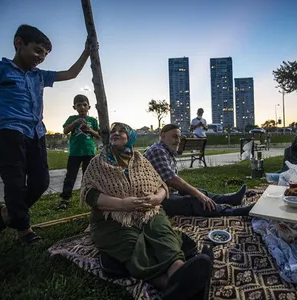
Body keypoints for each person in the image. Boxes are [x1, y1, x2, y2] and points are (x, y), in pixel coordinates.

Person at [80, 122, 213, 299]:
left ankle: (178, 270)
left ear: (130, 137)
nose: (116, 133)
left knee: (163, 234)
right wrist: (123, 205)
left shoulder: (140, 160)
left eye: (122, 131)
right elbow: (89, 194)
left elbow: (162, 185)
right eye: (113, 131)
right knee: (133, 245)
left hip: (149, 211)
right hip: (111, 218)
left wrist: (157, 198)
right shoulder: (98, 162)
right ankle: (172, 285)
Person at [0, 24, 91, 244]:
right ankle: (24, 231)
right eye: (37, 51)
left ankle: (6, 214)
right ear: (19, 44)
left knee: (41, 182)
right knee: (15, 184)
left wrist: (87, 52)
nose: (41, 57)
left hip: (36, 134)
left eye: (45, 54)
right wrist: (3, 106)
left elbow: (71, 73)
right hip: (9, 133)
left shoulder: (40, 76)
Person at [144, 124, 253, 217]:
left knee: (199, 192)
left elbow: (173, 181)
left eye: (179, 137)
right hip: (157, 199)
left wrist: (198, 193)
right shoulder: (157, 151)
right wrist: (198, 195)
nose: (178, 141)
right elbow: (172, 180)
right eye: (174, 137)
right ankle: (232, 212)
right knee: (196, 201)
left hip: (168, 192)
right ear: (162, 136)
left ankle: (230, 199)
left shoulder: (165, 150)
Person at [56, 94, 100, 210]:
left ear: (89, 107)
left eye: (85, 105)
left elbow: (98, 135)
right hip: (75, 152)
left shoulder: (92, 120)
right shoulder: (72, 118)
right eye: (79, 105)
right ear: (74, 107)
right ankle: (65, 198)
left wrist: (90, 130)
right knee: (70, 176)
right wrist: (74, 123)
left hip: (89, 152)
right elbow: (65, 131)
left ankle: (87, 196)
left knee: (88, 176)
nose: (82, 107)